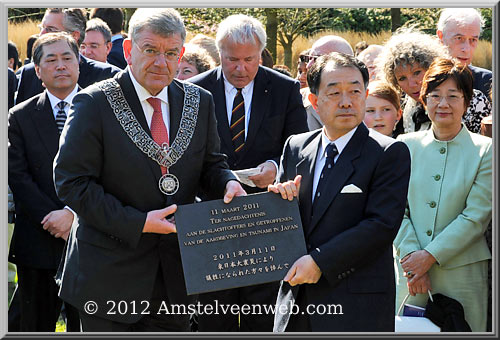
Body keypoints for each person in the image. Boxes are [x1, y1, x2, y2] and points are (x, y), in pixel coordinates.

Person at [53, 8, 246, 332]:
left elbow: (212, 164)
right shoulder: (94, 103)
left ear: (181, 53)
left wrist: (227, 183)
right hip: (109, 277)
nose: (162, 62)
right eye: (151, 50)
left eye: (171, 53)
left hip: (176, 277)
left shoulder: (200, 101)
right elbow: (72, 183)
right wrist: (138, 222)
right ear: (128, 50)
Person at [269, 52, 411, 332]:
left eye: (355, 91)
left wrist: (319, 262)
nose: (346, 101)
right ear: (313, 100)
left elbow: (380, 226)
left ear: (365, 94)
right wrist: (279, 201)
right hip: (296, 301)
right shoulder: (296, 146)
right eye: (334, 92)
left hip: (355, 305)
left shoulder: (388, 152)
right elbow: (287, 223)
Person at [189, 14, 308, 332]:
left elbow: (298, 148)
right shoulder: (192, 92)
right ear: (219, 53)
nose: (240, 69)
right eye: (231, 60)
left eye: (249, 60)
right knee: (215, 317)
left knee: (263, 316)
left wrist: (276, 167)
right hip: (212, 220)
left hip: (267, 219)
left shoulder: (285, 89)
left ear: (261, 54)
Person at [394, 58, 492, 332]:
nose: (443, 104)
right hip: (410, 271)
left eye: (453, 96)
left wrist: (430, 256)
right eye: (435, 96)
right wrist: (414, 258)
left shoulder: (486, 150)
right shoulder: (404, 146)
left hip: (462, 273)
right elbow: (395, 209)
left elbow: (476, 216)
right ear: (424, 100)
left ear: (467, 101)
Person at [8, 32, 82, 332]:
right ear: (37, 71)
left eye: (67, 58)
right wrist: (53, 218)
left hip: (90, 238)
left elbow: (113, 171)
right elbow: (18, 175)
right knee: (34, 325)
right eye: (50, 60)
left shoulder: (103, 109)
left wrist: (74, 216)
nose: (60, 65)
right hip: (37, 239)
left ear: (79, 64)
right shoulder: (19, 116)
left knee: (89, 325)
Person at [377, 28, 490, 135]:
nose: (411, 84)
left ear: (431, 66)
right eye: (402, 78)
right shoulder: (406, 106)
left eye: (417, 72)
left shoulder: (474, 100)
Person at [15, 8, 120, 104]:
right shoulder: (29, 74)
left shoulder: (108, 76)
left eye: (51, 30)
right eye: (42, 28)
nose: (42, 34)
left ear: (74, 36)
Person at [301, 35, 354, 130]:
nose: (309, 65)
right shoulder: (295, 98)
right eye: (309, 59)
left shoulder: (366, 103)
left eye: (317, 59)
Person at [436, 8, 492, 98]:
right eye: (459, 38)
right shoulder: (421, 79)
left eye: (473, 40)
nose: (466, 49)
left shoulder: (489, 82)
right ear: (441, 37)